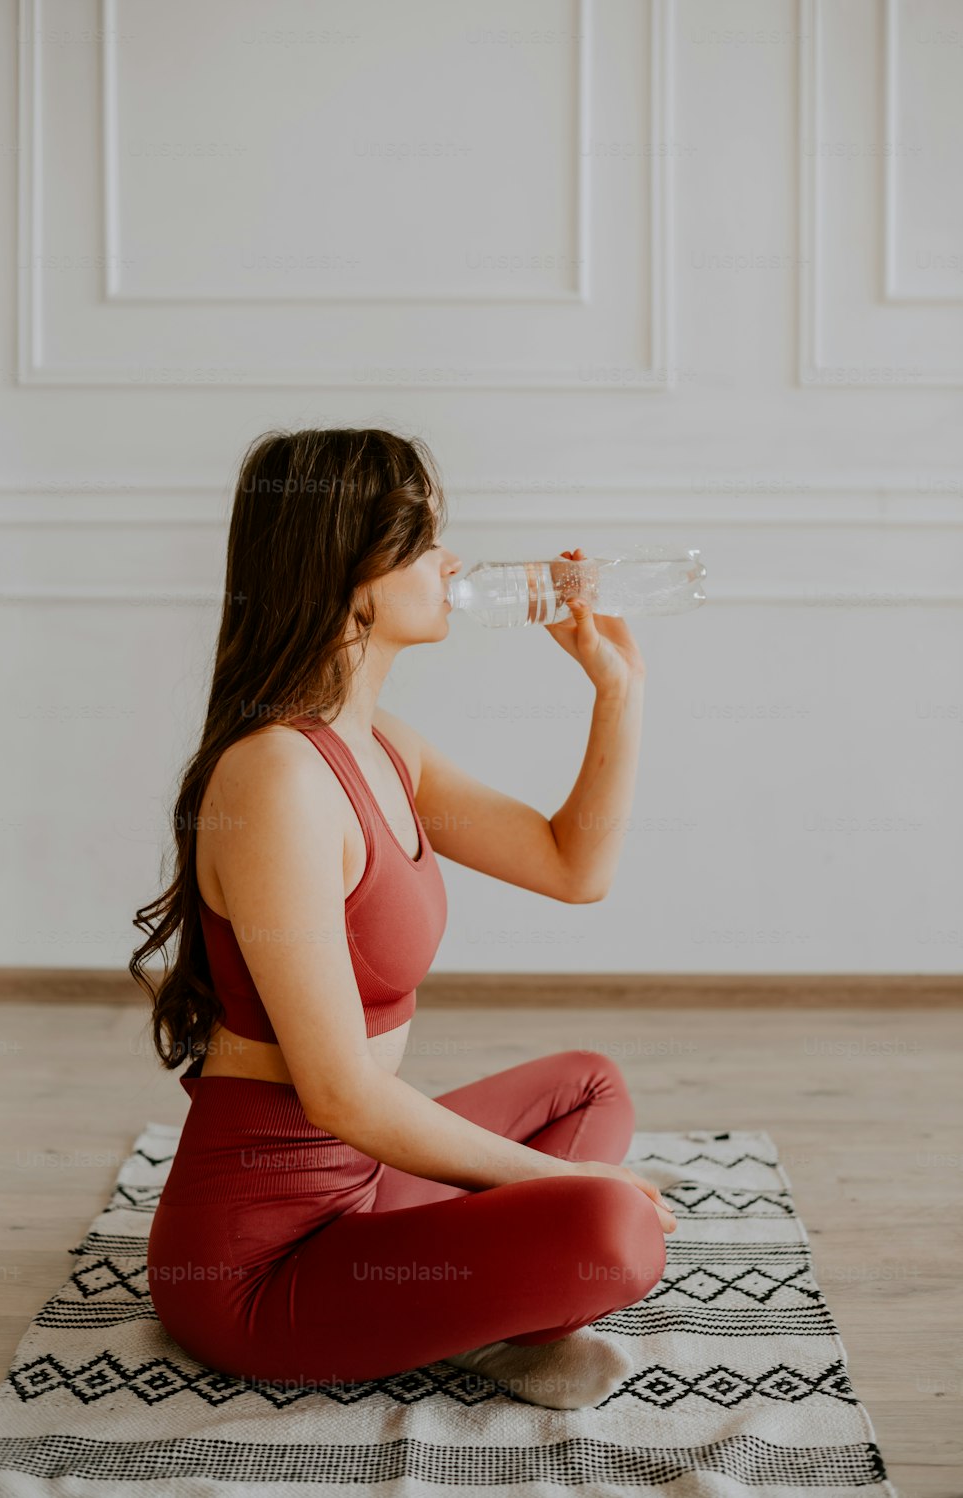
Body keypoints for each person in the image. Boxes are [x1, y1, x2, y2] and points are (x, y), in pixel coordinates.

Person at [132, 426, 675, 1411]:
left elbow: (572, 866)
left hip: (368, 1180)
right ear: (351, 574)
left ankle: (461, 1305)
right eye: (423, 540)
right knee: (610, 1231)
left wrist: (617, 690)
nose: (452, 562)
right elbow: (338, 1095)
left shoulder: (382, 744)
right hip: (262, 1262)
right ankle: (472, 1311)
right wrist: (544, 1190)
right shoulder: (275, 777)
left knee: (590, 1088)